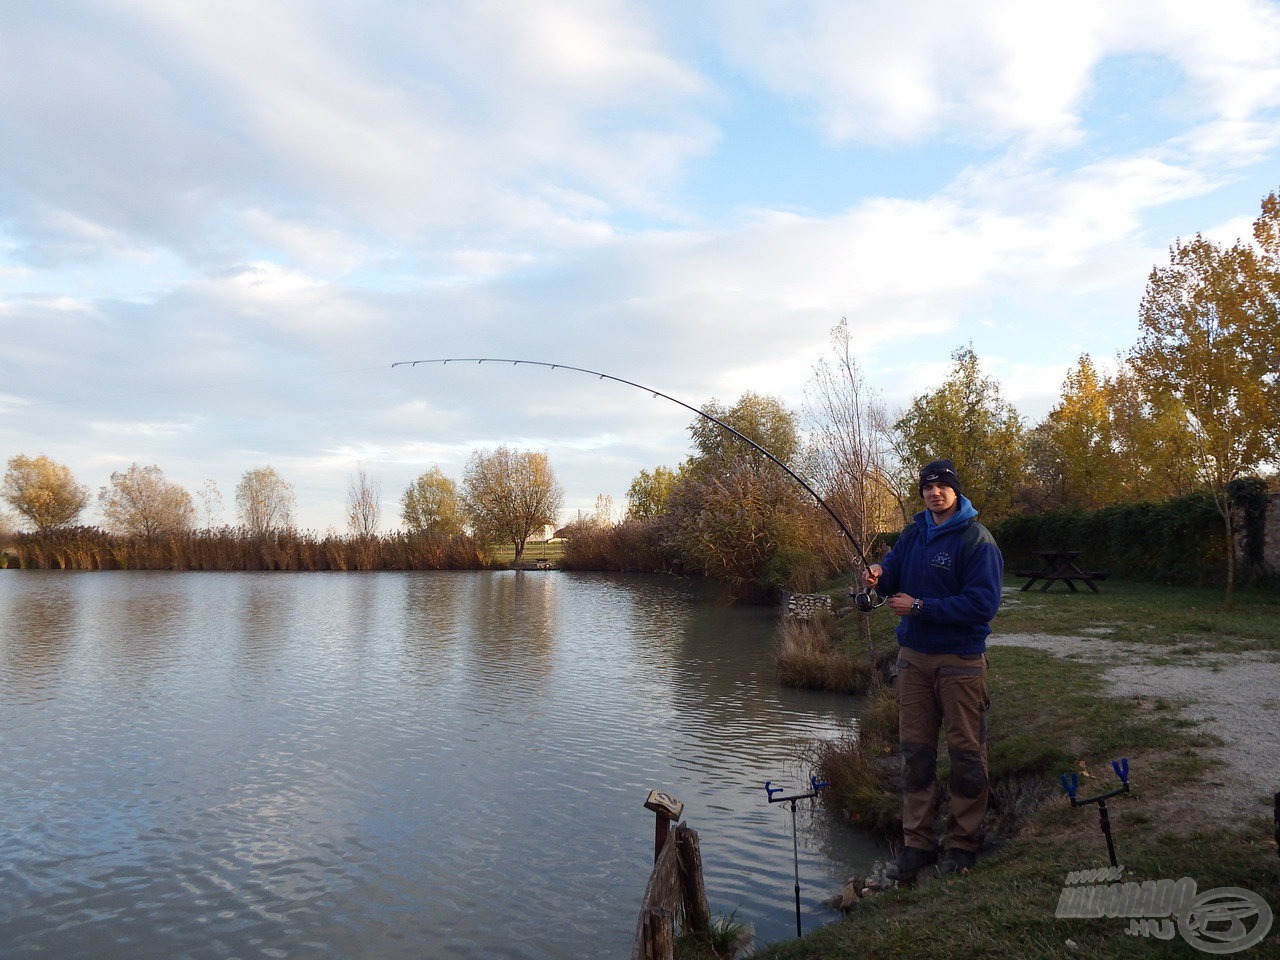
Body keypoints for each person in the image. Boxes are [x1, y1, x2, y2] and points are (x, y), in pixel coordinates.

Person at [861, 459, 1004, 880]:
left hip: (960, 661)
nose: (935, 492)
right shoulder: (913, 533)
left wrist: (921, 606)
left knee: (965, 753)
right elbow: (892, 574)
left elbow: (983, 605)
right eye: (928, 487)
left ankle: (963, 843)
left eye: (942, 486)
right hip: (914, 660)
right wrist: (878, 576)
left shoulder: (977, 539)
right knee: (916, 753)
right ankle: (917, 843)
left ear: (955, 491)